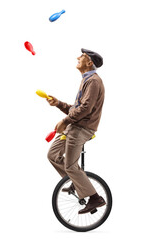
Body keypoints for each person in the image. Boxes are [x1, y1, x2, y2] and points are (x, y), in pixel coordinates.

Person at [47, 48, 106, 214]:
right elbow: (77, 108)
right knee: (52, 155)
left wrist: (64, 122)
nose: (78, 58)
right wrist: (59, 103)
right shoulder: (86, 79)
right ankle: (77, 181)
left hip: (82, 129)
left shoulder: (94, 81)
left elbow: (85, 109)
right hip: (75, 126)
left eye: (82, 56)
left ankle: (95, 198)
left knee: (71, 166)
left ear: (89, 62)